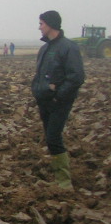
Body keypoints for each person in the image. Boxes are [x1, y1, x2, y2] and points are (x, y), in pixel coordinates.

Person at [31, 10, 85, 190]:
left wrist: (59, 96)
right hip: (44, 101)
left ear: (50, 24)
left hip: (59, 102)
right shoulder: (45, 48)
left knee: (54, 138)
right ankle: (58, 178)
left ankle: (64, 182)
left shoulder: (68, 47)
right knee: (50, 138)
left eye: (41, 24)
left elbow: (76, 76)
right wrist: (38, 91)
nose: (39, 27)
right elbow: (40, 75)